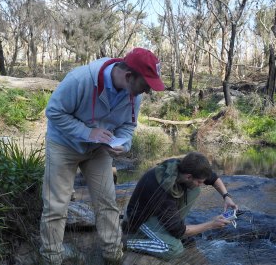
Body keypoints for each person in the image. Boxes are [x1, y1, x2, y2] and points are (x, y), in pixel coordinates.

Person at [40, 48, 165, 265]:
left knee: (107, 203)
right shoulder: (81, 79)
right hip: (63, 144)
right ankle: (51, 258)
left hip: (98, 150)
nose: (147, 92)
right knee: (56, 206)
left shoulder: (133, 95)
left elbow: (128, 126)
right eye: (145, 86)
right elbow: (54, 112)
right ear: (128, 76)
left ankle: (113, 256)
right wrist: (89, 132)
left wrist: (123, 145)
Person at [122, 152, 238, 260]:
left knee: (194, 190)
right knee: (174, 250)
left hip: (159, 213)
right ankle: (127, 242)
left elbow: (213, 178)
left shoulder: (182, 167)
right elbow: (179, 231)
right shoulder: (164, 191)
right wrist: (211, 224)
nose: (202, 184)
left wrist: (226, 196)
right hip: (140, 220)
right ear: (188, 177)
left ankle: (170, 227)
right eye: (199, 181)